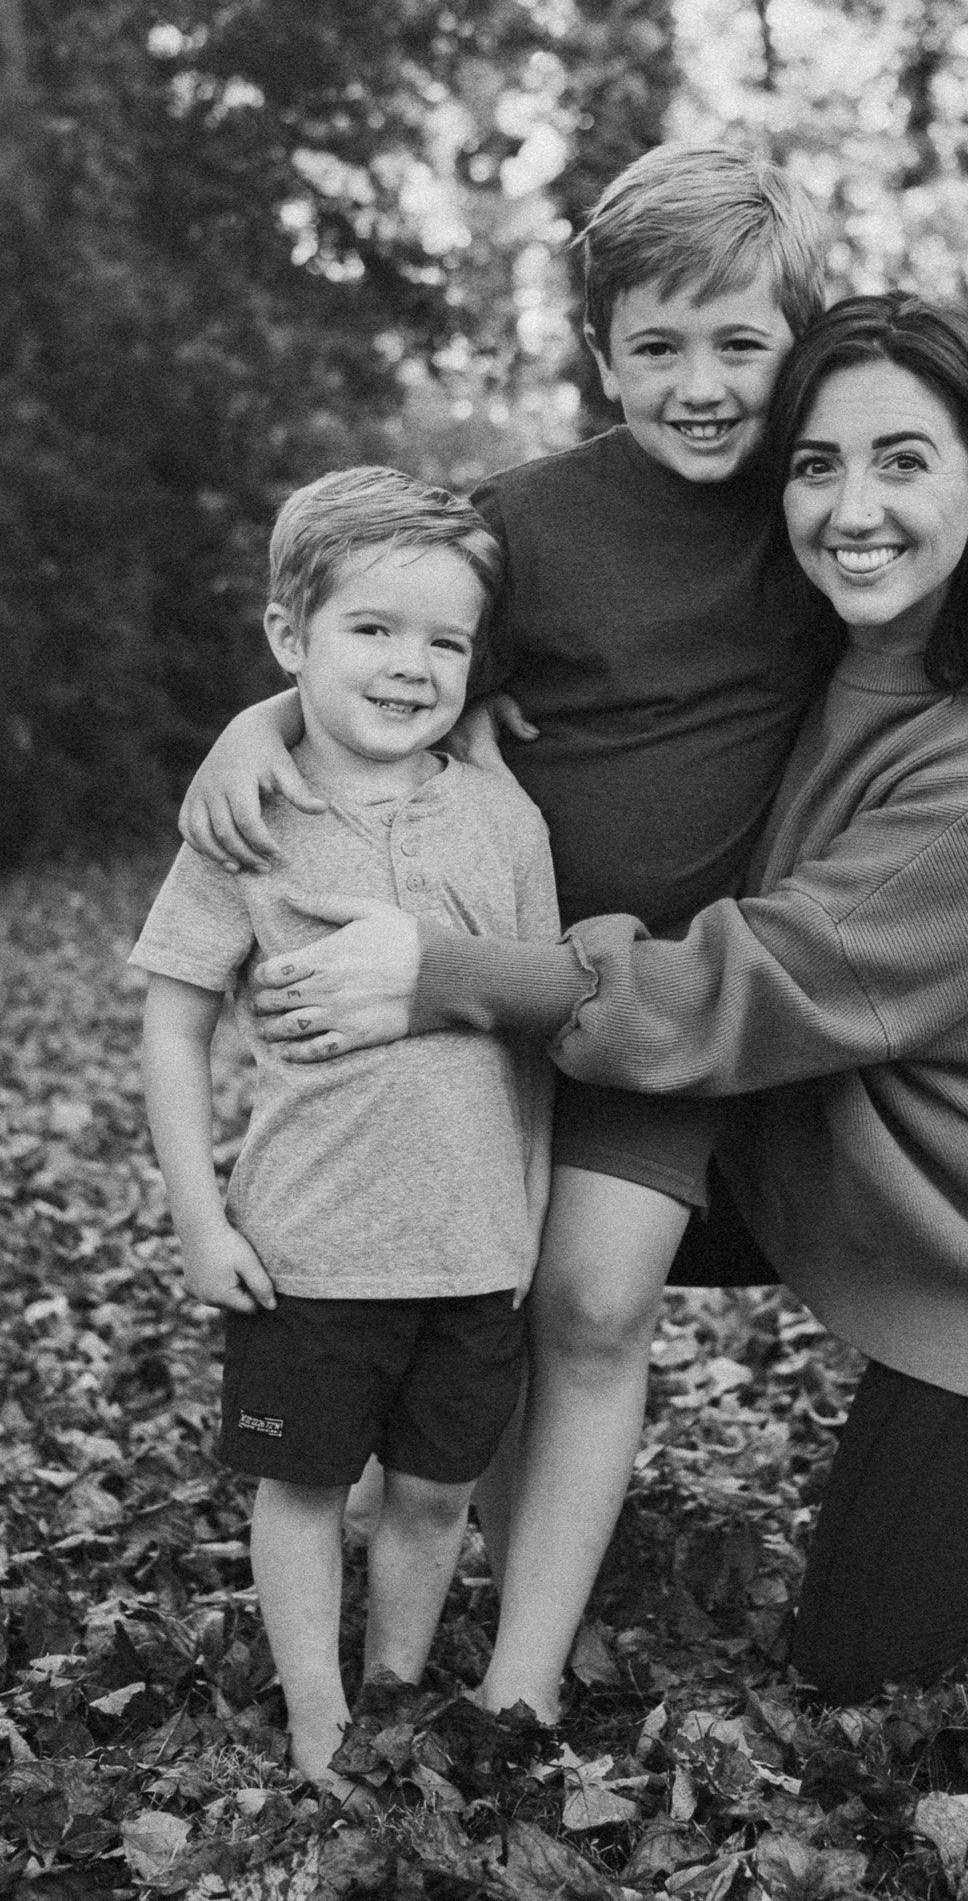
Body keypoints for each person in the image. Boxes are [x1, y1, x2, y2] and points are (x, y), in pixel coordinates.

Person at [176, 147, 968, 1724]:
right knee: (507, 1292)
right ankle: (467, 1591)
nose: (700, 385)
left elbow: (962, 553)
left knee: (594, 1301)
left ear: (795, 346)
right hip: (490, 984)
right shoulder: (526, 522)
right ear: (599, 352)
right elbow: (383, 633)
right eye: (653, 345)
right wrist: (255, 722)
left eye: (741, 344)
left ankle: (522, 1682)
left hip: (660, 1002)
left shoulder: (813, 515)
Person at [131, 468, 558, 1793]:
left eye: (444, 641)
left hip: (472, 1254)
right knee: (305, 1490)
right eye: (372, 629)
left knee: (433, 1499)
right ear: (287, 639)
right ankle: (318, 1716)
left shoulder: (501, 818)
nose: (410, 664)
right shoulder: (244, 821)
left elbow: (540, 1023)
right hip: (308, 1251)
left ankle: (392, 1689)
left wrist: (529, 1216)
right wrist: (200, 1221)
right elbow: (173, 1020)